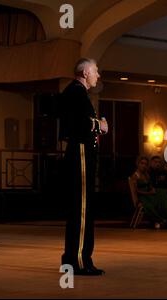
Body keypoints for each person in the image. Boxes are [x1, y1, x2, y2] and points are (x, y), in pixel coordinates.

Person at [59, 58, 108, 276]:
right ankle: (78, 261)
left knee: (82, 209)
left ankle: (76, 259)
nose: (98, 75)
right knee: (82, 210)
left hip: (83, 153)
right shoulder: (76, 92)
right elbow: (77, 123)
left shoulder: (78, 92)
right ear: (86, 72)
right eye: (96, 71)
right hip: (81, 153)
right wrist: (101, 125)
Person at [129, 156, 167, 228]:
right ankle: (162, 219)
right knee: (159, 196)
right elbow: (136, 191)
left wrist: (152, 190)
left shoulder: (146, 174)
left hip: (149, 194)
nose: (144, 165)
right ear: (138, 164)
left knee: (161, 192)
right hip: (143, 197)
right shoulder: (135, 176)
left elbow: (150, 186)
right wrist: (149, 193)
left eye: (145, 164)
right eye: (142, 163)